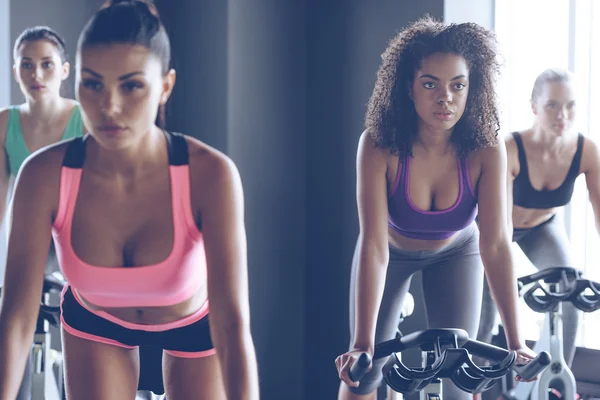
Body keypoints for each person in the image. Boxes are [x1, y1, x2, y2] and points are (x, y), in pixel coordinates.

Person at [0, 1, 259, 399]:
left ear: (165, 87)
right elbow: (16, 319)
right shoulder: (41, 175)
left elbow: (232, 325)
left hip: (195, 324)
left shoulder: (212, 175)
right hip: (95, 322)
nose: (109, 107)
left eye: (131, 85)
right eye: (93, 83)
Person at [334, 17, 536, 400]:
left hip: (457, 253)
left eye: (457, 85)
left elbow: (495, 244)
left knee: (461, 381)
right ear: (408, 88)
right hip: (390, 253)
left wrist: (516, 341)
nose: (445, 97)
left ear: (470, 89)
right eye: (431, 84)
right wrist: (362, 343)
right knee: (362, 375)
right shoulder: (378, 145)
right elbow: (374, 244)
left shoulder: (487, 148)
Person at [477, 68, 600, 367]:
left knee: (569, 289)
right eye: (553, 105)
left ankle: (558, 383)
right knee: (487, 312)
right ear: (534, 107)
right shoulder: (509, 149)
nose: (563, 115)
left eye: (570, 105)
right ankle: (475, 388)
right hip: (491, 231)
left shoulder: (586, 151)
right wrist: (506, 282)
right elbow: (500, 235)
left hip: (542, 229)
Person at [0, 25, 84, 400]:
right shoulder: (5, 123)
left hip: (79, 238)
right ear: (15, 70)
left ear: (65, 70)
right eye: (27, 65)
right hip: (30, 235)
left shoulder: (85, 119)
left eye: (47, 65)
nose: (37, 75)